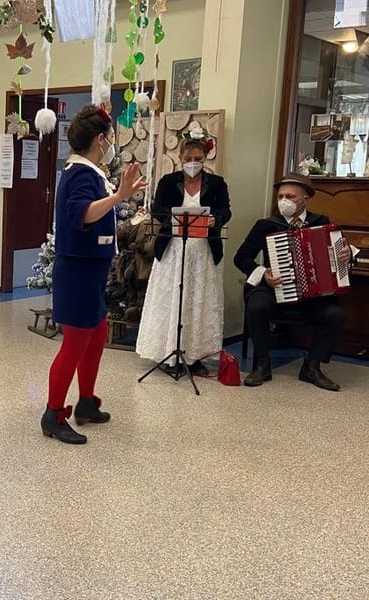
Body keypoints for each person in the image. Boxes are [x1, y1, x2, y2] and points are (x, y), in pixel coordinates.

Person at [42, 104, 146, 445]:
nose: (113, 141)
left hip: (89, 269)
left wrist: (118, 198)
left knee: (97, 335)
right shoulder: (81, 174)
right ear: (101, 139)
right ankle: (53, 414)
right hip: (78, 271)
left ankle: (86, 402)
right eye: (111, 135)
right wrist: (119, 196)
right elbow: (82, 213)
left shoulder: (86, 171)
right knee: (74, 344)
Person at [234, 172, 353, 391]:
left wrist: (346, 255)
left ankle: (312, 367)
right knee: (257, 304)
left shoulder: (321, 222)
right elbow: (241, 258)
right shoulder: (266, 225)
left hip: (311, 294)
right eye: (280, 196)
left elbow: (336, 256)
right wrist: (264, 273)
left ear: (304, 198)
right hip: (274, 289)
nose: (283, 201)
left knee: (335, 313)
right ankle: (262, 365)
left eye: (290, 196)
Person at [135, 136, 232, 375]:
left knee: (197, 299)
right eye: (188, 159)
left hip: (203, 250)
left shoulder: (217, 183)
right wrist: (175, 217)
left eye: (197, 158)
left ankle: (194, 355)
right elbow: (158, 209)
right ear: (180, 158)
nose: (192, 163)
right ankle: (167, 352)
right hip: (173, 248)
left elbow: (225, 210)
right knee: (173, 298)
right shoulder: (168, 182)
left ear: (205, 158)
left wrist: (216, 219)